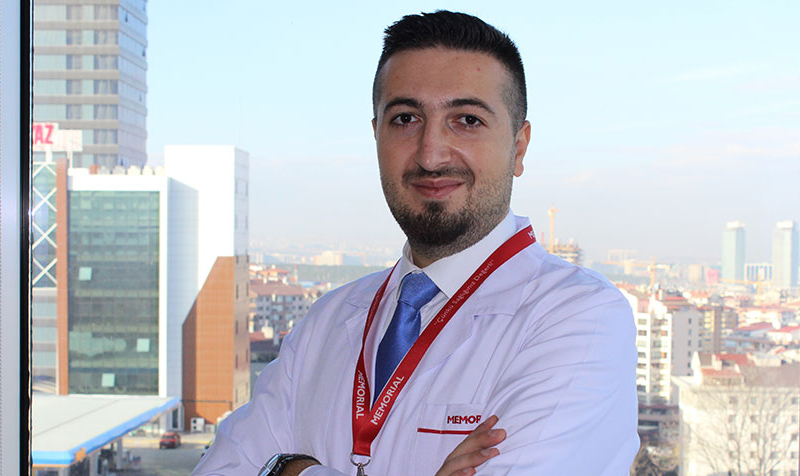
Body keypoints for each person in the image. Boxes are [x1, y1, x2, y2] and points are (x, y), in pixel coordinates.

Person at [193, 11, 638, 476]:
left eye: (467, 120)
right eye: (405, 119)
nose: (430, 154)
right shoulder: (326, 322)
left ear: (519, 146)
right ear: (377, 136)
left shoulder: (581, 318)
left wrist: (288, 470)